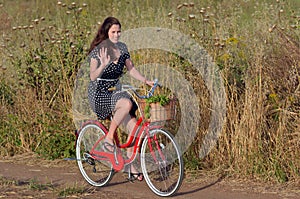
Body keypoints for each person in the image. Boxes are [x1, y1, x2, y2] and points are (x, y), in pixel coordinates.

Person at [87, 17, 152, 181]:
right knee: (126, 103)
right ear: (106, 33)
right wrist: (102, 64)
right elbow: (93, 76)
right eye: (113, 32)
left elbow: (131, 69)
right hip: (99, 94)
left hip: (114, 92)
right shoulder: (99, 50)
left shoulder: (122, 48)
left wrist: (145, 80)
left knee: (135, 130)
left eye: (118, 31)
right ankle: (109, 137)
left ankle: (131, 166)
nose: (116, 35)